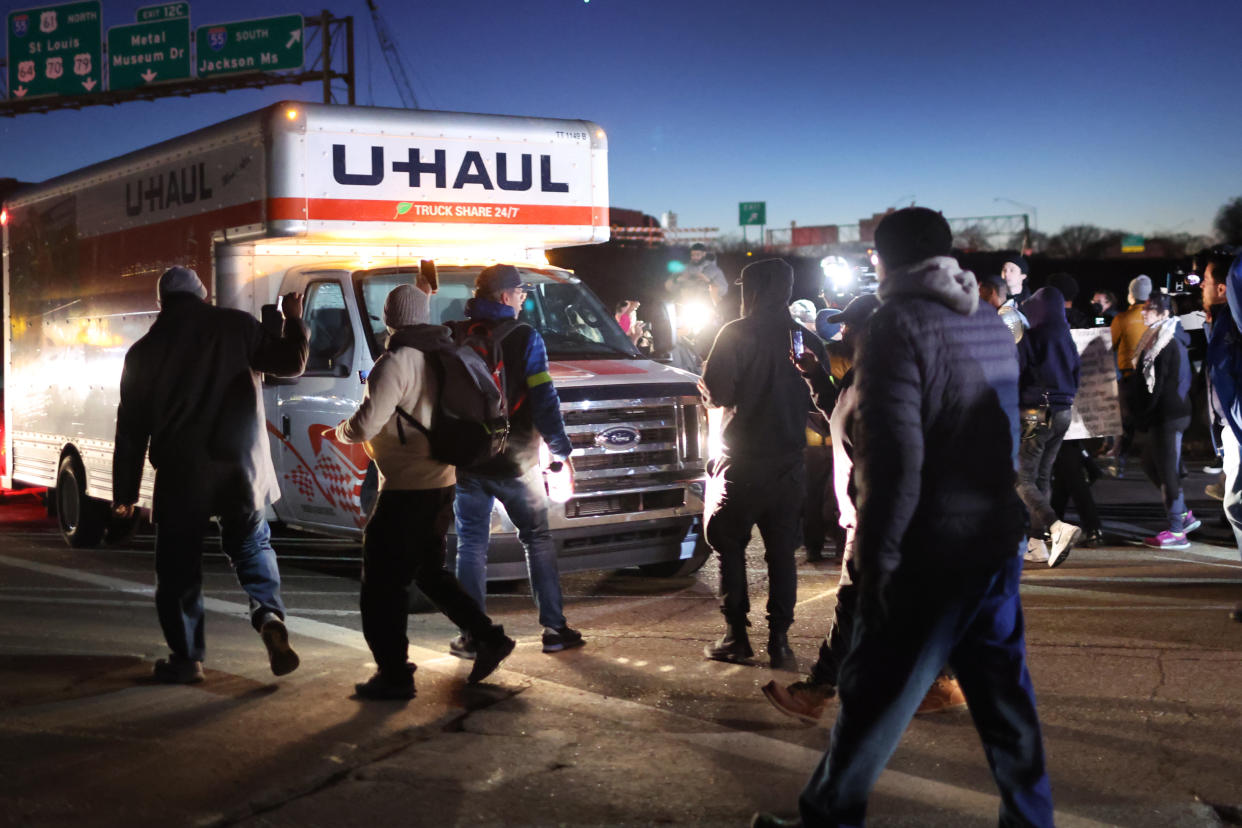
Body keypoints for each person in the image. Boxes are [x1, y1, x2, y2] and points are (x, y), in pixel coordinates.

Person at [752, 207, 1053, 828]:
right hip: (994, 536)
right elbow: (1005, 441)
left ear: (880, 260)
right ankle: (1031, 819)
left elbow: (893, 461)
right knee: (1005, 701)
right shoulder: (991, 323)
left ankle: (829, 816)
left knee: (872, 691)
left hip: (931, 547)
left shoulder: (896, 326)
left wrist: (877, 558)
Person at [762, 292, 967, 724]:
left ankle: (819, 688)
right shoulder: (865, 375)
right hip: (875, 512)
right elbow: (842, 416)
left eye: (851, 325)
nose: (843, 331)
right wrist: (816, 379)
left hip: (882, 514)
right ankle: (943, 680)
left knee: (855, 601)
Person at [112, 267, 308, 684]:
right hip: (242, 467)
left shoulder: (144, 351)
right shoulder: (236, 326)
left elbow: (130, 432)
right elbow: (290, 364)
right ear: (202, 296)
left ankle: (187, 658)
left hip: (183, 476)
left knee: (178, 567)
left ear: (162, 303)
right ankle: (268, 614)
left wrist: (124, 497)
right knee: (252, 544)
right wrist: (293, 321)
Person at [335, 284, 517, 699]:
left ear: (390, 318)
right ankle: (488, 637)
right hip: (442, 482)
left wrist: (341, 430)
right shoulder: (444, 352)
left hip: (406, 488)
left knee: (382, 584)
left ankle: (394, 674)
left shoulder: (396, 361)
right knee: (428, 571)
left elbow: (365, 425)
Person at [448, 264, 584, 657]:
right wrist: (561, 452)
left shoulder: (458, 333)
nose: (524, 297)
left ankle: (473, 635)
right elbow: (544, 401)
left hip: (468, 459)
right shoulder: (526, 336)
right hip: (516, 461)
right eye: (521, 291)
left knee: (471, 545)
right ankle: (555, 631)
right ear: (505, 295)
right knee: (537, 539)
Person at [699, 258, 824, 671]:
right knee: (781, 554)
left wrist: (705, 388)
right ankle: (780, 641)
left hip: (743, 464)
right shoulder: (803, 338)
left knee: (728, 546)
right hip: (790, 464)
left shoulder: (734, 334)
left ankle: (736, 637)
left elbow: (718, 393)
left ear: (750, 291)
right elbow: (816, 399)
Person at [1016, 285, 1083, 567]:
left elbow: (1019, 369)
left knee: (1020, 477)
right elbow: (1077, 373)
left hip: (1035, 411)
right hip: (1063, 411)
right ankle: (1036, 543)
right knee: (1043, 476)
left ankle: (1056, 527)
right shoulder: (1066, 336)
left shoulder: (1032, 333)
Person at [1127, 292, 1199, 549]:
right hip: (1165, 413)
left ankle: (1178, 531)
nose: (1144, 313)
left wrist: (1141, 414)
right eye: (1145, 308)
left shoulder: (1167, 342)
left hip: (1169, 415)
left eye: (1151, 309)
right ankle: (1183, 514)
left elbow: (1157, 387)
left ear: (1165, 313)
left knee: (1167, 471)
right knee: (1149, 462)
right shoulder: (1156, 336)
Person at [1199, 246, 1242, 622]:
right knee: (1234, 506)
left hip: (1239, 428)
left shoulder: (1235, 323)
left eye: (1207, 280)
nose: (1200, 286)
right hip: (1231, 429)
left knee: (1237, 505)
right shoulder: (1219, 321)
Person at [1047, 273, 1105, 548]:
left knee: (1067, 466)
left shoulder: (1051, 325)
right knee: (1063, 467)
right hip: (1083, 404)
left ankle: (1092, 524)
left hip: (1058, 402)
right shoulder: (1085, 321)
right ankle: (1052, 521)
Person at [1110, 275, 1153, 473]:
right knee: (1154, 419)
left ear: (1131, 295)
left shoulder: (1122, 318)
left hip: (1128, 377)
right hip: (1152, 376)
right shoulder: (1155, 316)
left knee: (1126, 421)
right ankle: (1171, 465)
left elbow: (1110, 344)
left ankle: (1120, 463)